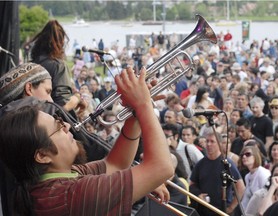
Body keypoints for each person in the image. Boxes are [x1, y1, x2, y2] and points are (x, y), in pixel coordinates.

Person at [0, 67, 174, 215]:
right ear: (42, 155)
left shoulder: (54, 180)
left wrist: (134, 115)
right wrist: (144, 105)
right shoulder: (69, 195)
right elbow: (162, 167)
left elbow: (115, 164)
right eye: (58, 126)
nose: (67, 125)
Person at [30, 20, 85, 116]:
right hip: (54, 123)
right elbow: (64, 105)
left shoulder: (31, 65)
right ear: (62, 42)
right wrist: (77, 97)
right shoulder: (59, 66)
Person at [189, 130, 245, 216]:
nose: (208, 144)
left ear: (219, 144)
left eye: (212, 141)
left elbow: (240, 187)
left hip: (222, 210)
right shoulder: (200, 164)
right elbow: (192, 184)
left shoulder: (227, 164)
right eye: (207, 141)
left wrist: (231, 207)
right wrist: (198, 194)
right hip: (204, 210)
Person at [239, 146, 271, 210]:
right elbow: (246, 200)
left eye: (248, 154)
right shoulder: (247, 176)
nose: (244, 157)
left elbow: (268, 196)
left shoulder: (263, 173)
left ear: (255, 156)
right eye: (242, 155)